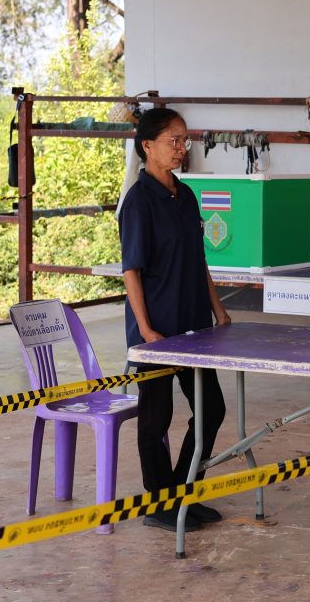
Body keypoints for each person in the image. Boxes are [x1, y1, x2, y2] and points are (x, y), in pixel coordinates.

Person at [119, 107, 232, 532]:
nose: (182, 148)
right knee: (156, 418)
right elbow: (131, 270)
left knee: (211, 409)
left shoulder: (184, 196)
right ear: (148, 146)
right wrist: (146, 330)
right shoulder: (138, 201)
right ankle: (158, 504)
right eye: (174, 140)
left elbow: (199, 259)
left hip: (194, 326)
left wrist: (218, 309)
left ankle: (184, 494)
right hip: (156, 330)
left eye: (185, 140)